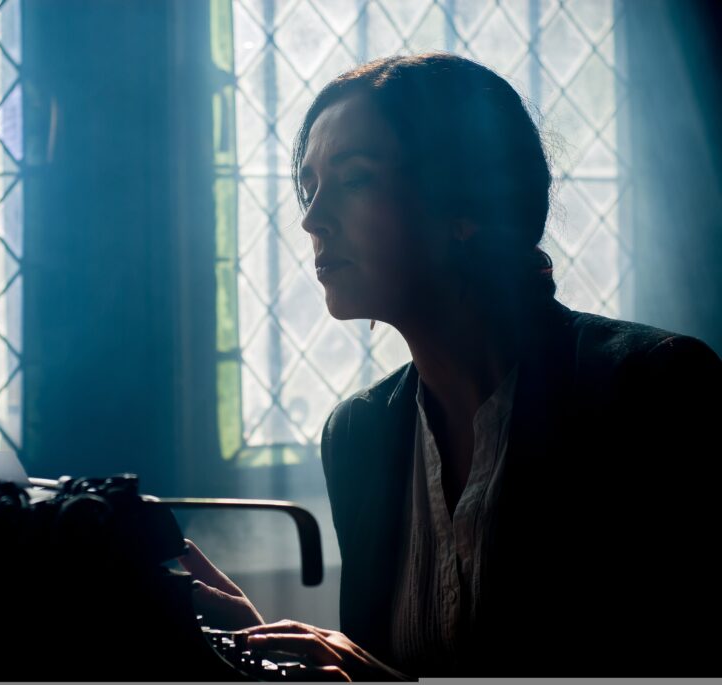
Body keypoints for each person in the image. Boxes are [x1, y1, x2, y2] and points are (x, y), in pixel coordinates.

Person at [179, 53, 722, 680]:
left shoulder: (651, 389)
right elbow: (378, 669)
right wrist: (269, 649)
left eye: (353, 180)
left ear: (465, 204)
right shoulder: (358, 435)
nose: (311, 219)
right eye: (309, 188)